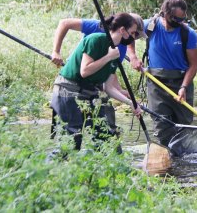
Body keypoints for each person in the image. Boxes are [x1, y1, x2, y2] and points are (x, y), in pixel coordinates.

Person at [51, 13, 142, 150]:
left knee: (106, 137)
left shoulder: (118, 52)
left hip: (90, 91)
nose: (133, 38)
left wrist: (131, 103)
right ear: (122, 30)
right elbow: (85, 71)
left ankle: (110, 168)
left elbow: (108, 87)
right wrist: (108, 57)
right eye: (133, 33)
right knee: (71, 140)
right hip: (67, 90)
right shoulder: (96, 39)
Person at [143, 0, 197, 146]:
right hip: (156, 84)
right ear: (166, 14)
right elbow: (128, 32)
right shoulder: (150, 26)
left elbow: (193, 65)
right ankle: (166, 163)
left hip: (181, 83)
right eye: (177, 19)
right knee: (162, 128)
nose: (181, 22)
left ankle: (182, 163)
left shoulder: (188, 34)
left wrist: (184, 87)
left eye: (183, 19)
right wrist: (133, 56)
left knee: (183, 129)